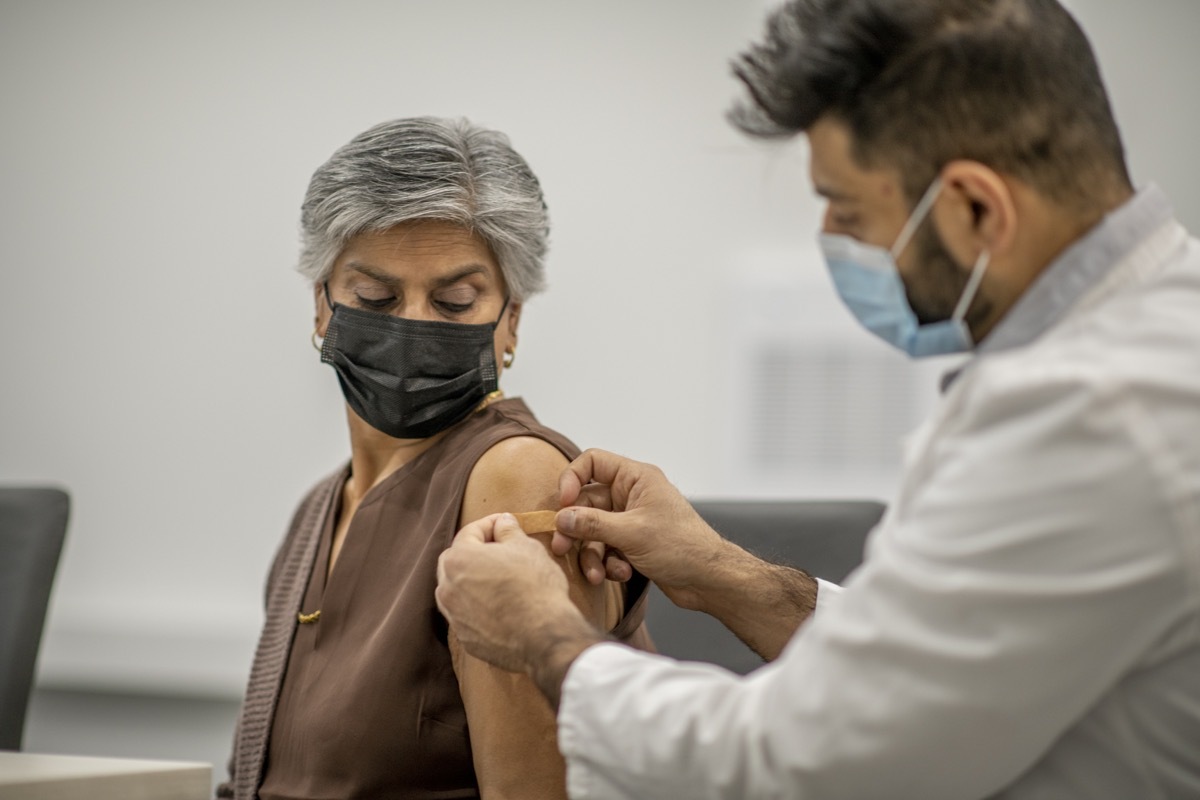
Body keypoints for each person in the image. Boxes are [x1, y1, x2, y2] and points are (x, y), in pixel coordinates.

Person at [434, 1, 1200, 798]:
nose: (831, 236)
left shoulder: (1091, 413)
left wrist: (548, 640)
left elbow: (805, 759)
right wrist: (727, 576)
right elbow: (938, 671)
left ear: (976, 207)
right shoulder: (1162, 331)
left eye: (849, 210)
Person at [217, 117, 651, 800]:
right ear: (322, 307)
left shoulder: (512, 478)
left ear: (511, 321)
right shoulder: (319, 509)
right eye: (375, 298)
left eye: (454, 301)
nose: (413, 324)